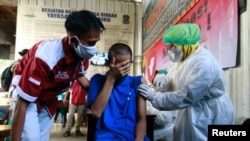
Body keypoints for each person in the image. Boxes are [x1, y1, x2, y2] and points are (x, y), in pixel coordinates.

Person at [10, 10, 105, 141]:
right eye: (91, 43)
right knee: (30, 138)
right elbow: (22, 102)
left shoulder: (82, 54)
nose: (93, 48)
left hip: (48, 98)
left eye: (96, 42)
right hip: (24, 96)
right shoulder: (46, 58)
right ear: (74, 41)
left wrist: (105, 92)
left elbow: (80, 77)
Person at [138, 23, 234, 141]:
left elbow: (188, 95)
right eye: (167, 47)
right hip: (192, 111)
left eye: (172, 47)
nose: (169, 51)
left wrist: (156, 98)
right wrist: (164, 80)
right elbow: (173, 77)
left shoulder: (203, 63)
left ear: (186, 45)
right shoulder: (182, 58)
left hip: (209, 113)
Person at [87, 43, 150, 141]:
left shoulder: (138, 82)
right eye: (118, 65)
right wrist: (111, 78)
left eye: (125, 65)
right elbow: (96, 112)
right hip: (106, 137)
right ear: (109, 63)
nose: (121, 70)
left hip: (132, 135)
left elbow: (141, 119)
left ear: (131, 63)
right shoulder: (97, 80)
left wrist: (139, 139)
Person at [147, 70, 176, 141]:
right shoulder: (160, 95)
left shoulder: (170, 97)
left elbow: (164, 119)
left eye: (159, 83)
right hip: (160, 128)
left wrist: (150, 109)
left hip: (166, 130)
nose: (157, 87)